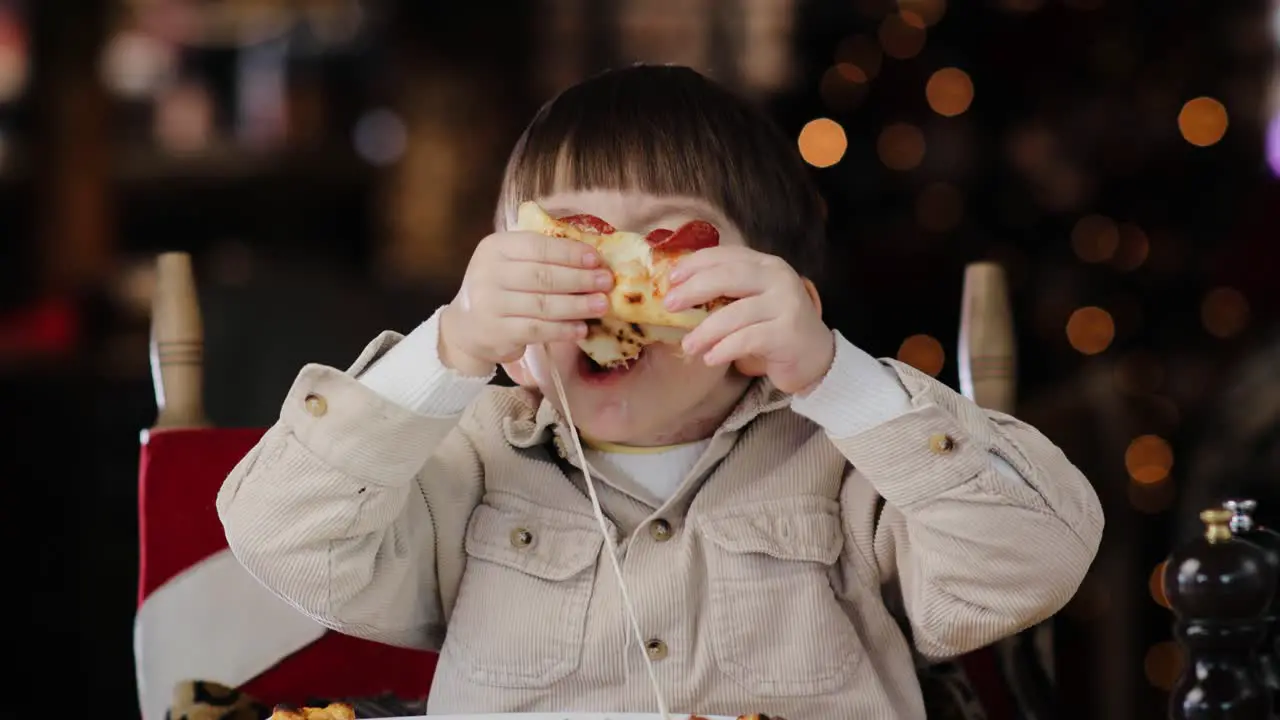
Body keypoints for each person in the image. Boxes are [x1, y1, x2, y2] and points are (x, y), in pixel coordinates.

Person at [217, 64, 1104, 718]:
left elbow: (1037, 558)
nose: (610, 286)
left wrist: (837, 376)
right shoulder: (467, 467)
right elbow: (284, 539)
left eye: (668, 244)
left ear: (781, 304)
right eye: (564, 250)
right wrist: (446, 350)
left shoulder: (846, 467)